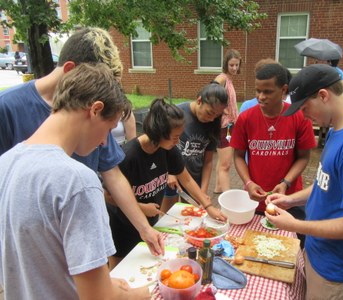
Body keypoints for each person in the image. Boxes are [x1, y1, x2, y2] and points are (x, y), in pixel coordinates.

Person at [0, 27, 164, 256]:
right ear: (71, 71)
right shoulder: (7, 108)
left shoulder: (95, 113)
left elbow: (113, 174)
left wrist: (144, 228)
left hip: (84, 240)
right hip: (35, 250)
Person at [0, 63, 150, 299]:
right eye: (109, 129)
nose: (103, 143)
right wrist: (145, 293)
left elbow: (45, 263)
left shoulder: (5, 163)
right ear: (95, 110)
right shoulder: (78, 181)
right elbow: (98, 297)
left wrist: (104, 283)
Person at [266, 64, 343, 299]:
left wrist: (295, 226)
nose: (303, 115)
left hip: (339, 268)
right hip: (321, 252)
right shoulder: (336, 130)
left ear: (323, 95)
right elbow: (326, 183)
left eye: (305, 107)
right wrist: (291, 199)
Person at [107, 98, 227, 269]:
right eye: (175, 137)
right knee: (120, 268)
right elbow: (108, 195)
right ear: (160, 133)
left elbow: (185, 179)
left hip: (150, 222)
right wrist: (142, 207)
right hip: (123, 225)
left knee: (145, 265)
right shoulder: (129, 155)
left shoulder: (167, 150)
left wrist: (208, 206)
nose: (178, 141)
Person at [230, 63, 316, 247]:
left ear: (284, 89)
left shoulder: (298, 117)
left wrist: (285, 182)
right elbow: (238, 155)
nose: (261, 97)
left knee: (293, 248)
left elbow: (304, 157)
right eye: (258, 91)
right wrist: (248, 183)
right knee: (254, 247)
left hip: (290, 199)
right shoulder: (245, 119)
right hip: (255, 200)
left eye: (267, 91)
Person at [162, 83, 228, 212]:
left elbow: (208, 161)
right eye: (210, 113)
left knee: (191, 218)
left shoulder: (213, 124)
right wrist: (169, 172)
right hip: (170, 178)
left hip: (193, 179)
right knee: (168, 218)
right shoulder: (177, 114)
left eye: (217, 115)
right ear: (199, 101)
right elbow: (162, 146)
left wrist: (202, 191)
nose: (211, 119)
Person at [213, 49, 241, 194]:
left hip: (230, 125)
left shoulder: (228, 79)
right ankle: (227, 195)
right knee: (226, 164)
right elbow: (211, 91)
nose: (234, 68)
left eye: (237, 65)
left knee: (222, 160)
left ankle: (218, 187)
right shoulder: (222, 78)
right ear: (226, 64)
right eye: (231, 65)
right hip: (224, 126)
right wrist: (223, 109)